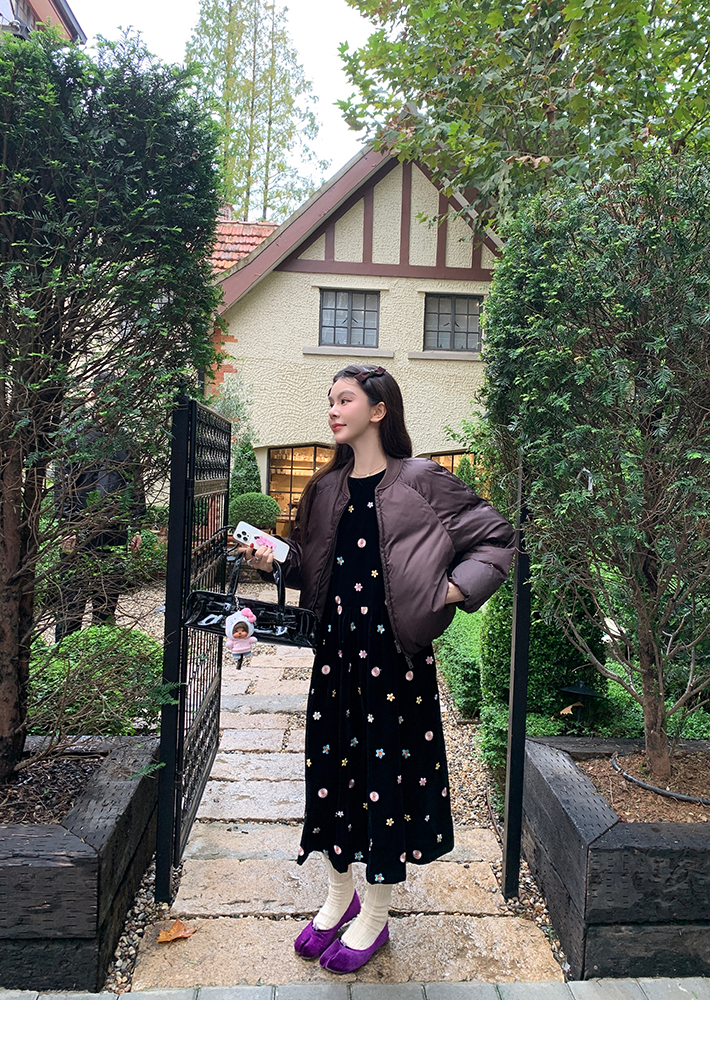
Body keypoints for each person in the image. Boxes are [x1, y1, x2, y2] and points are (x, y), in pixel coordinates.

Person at [243, 365, 515, 973]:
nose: (333, 410)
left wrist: (451, 591)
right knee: (332, 775)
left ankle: (376, 912)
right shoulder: (326, 488)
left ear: (379, 409)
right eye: (330, 400)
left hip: (395, 663)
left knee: (385, 782)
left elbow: (497, 539)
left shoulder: (422, 481)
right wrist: (272, 561)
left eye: (345, 400)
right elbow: (316, 568)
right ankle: (339, 893)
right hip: (336, 660)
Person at [54, 376, 146, 642]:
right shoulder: (76, 438)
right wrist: (66, 526)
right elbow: (63, 484)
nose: (112, 403)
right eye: (106, 396)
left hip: (115, 532)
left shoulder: (127, 442)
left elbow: (135, 486)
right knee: (71, 603)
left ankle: (98, 656)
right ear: (93, 397)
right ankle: (64, 656)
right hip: (79, 531)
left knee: (106, 604)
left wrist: (136, 526)